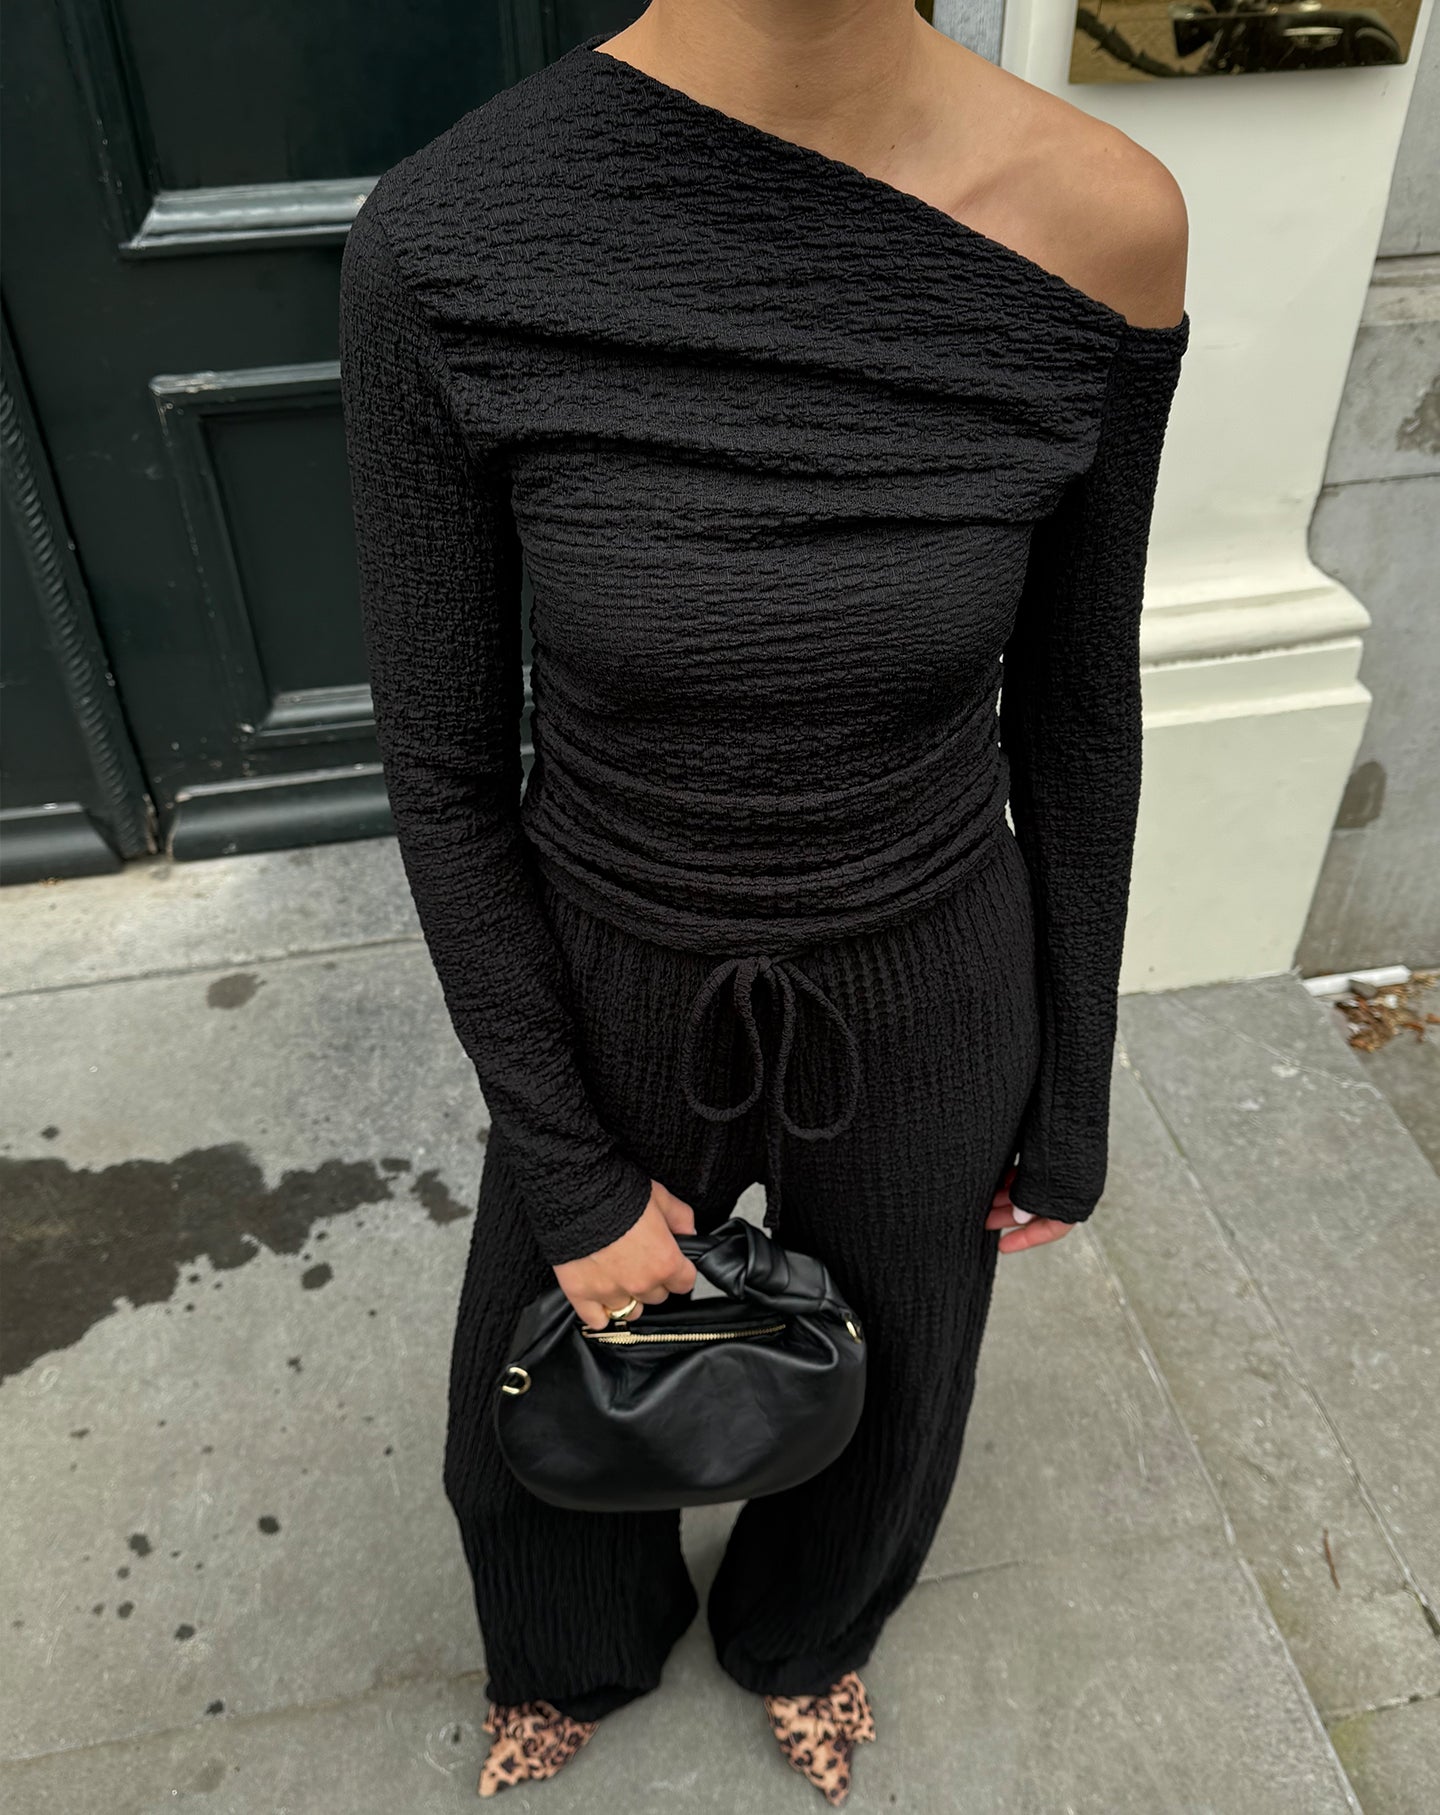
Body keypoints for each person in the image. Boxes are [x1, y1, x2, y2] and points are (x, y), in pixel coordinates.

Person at [338, 2, 1189, 1803]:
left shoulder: (1105, 220)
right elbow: (442, 766)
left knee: (903, 1388)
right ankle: (571, 1648)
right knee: (523, 1408)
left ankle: (811, 1633)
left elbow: (1078, 712)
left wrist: (1074, 1093)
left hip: (937, 961)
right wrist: (567, 1166)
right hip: (609, 959)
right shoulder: (448, 242)